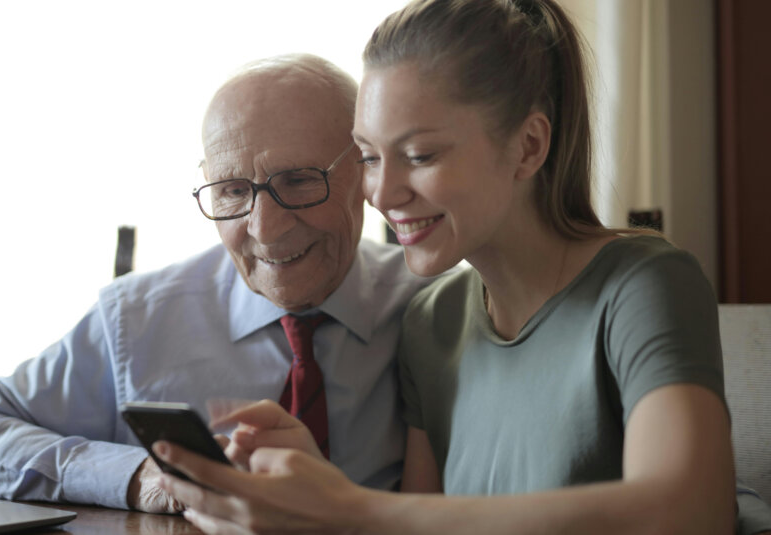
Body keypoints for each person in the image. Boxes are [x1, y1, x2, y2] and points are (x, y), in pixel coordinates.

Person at [153, 1, 771, 534]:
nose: (382, 193)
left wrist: (349, 508)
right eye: (368, 157)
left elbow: (691, 515)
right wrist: (311, 486)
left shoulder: (642, 284)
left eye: (419, 155)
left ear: (528, 146)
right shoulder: (432, 321)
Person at [0, 53, 433, 513]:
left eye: (298, 181)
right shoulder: (138, 319)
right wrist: (138, 476)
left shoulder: (437, 311)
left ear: (366, 171)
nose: (264, 227)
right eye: (233, 191)